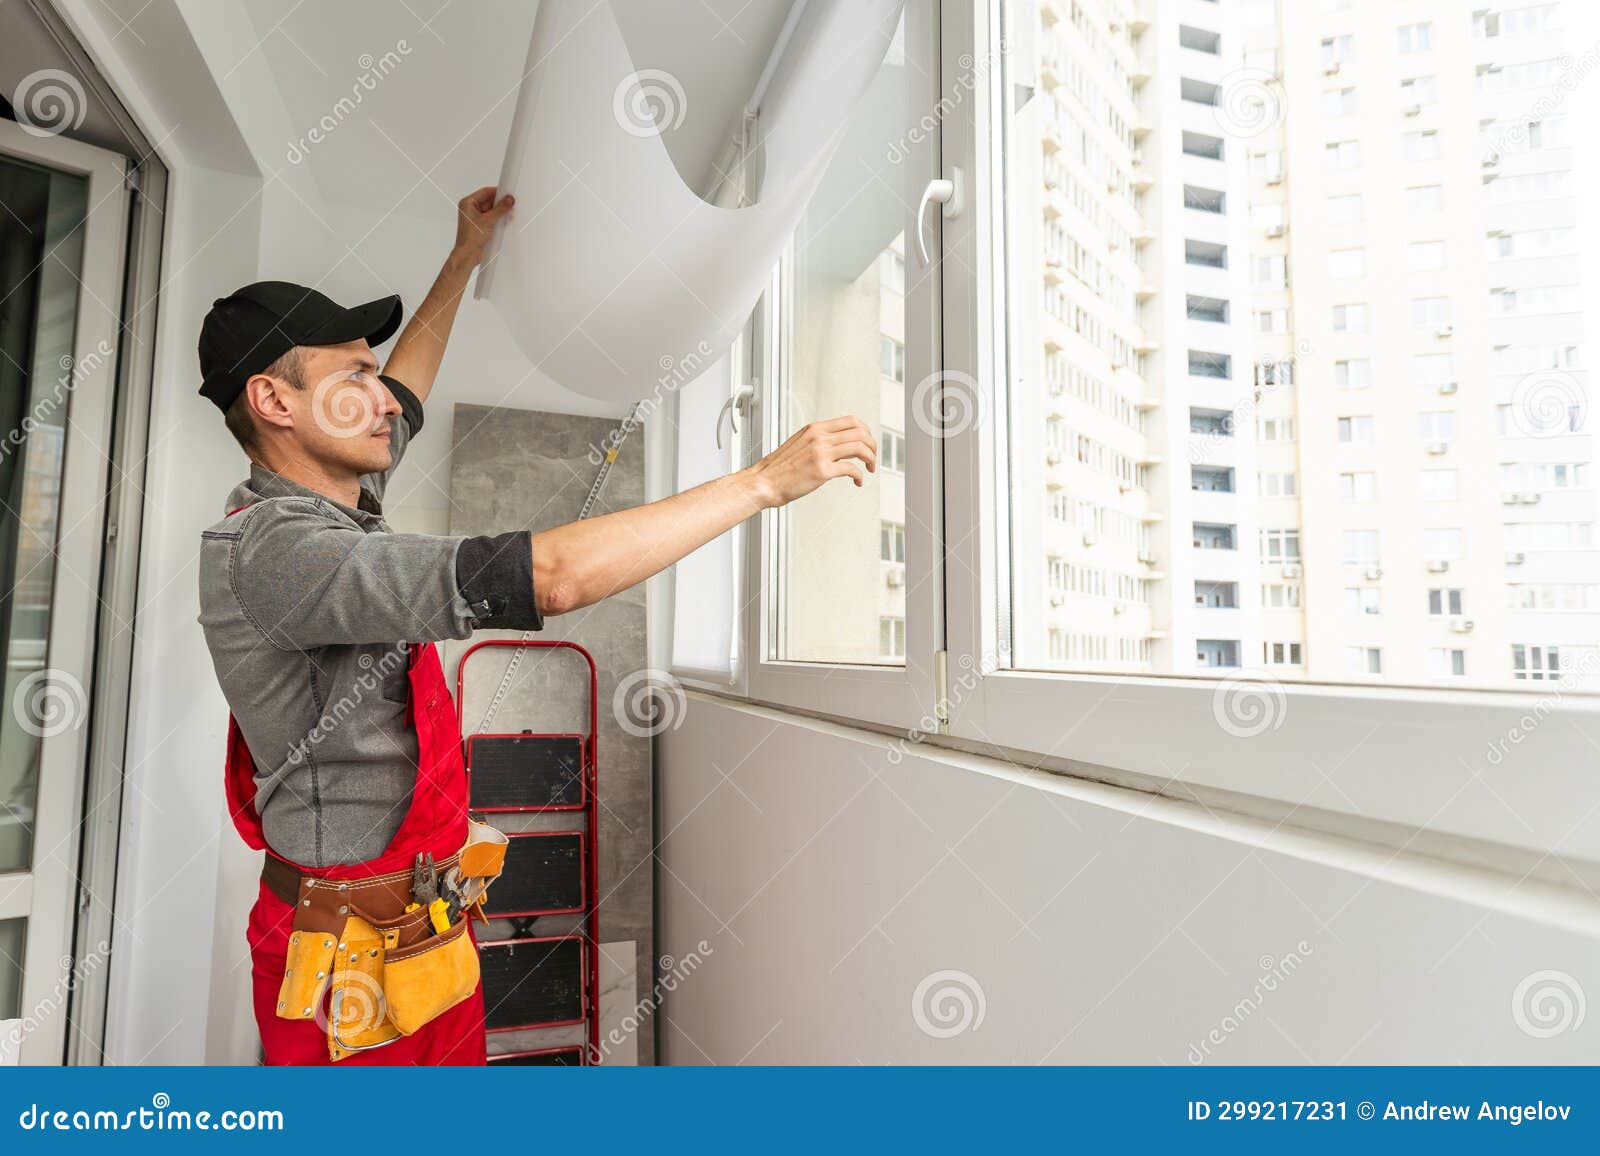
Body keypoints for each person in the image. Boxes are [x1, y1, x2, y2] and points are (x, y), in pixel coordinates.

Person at [195, 186, 876, 1064]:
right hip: (342, 975)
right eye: (353, 377)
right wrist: (763, 484)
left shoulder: (342, 504)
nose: (384, 398)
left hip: (428, 936)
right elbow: (547, 577)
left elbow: (411, 384)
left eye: (374, 372)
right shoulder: (276, 553)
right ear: (275, 403)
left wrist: (465, 254)